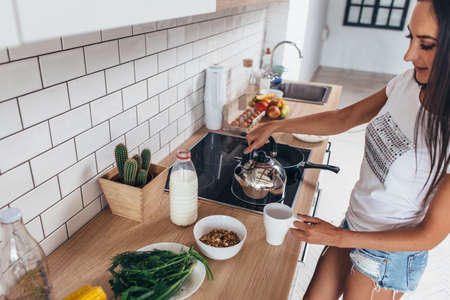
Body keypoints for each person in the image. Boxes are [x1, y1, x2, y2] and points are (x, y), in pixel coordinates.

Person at [245, 0, 449, 299]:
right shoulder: (407, 82)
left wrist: (339, 237)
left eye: (426, 44)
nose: (408, 55)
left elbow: (429, 236)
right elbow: (345, 117)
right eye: (411, 37)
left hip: (388, 255)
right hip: (354, 223)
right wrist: (276, 126)